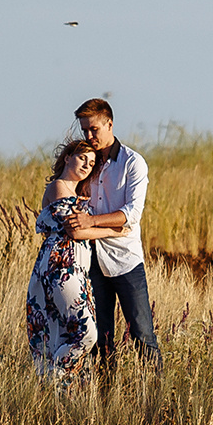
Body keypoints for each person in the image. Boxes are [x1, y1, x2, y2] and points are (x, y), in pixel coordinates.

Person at [62, 99, 159, 368]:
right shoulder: (87, 165)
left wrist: (90, 222)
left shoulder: (133, 163)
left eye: (94, 129)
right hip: (92, 263)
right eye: (85, 131)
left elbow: (131, 215)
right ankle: (106, 403)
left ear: (109, 124)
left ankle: (156, 400)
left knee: (142, 336)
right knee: (100, 341)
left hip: (126, 262)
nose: (89, 136)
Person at [24, 141, 114, 382]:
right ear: (67, 158)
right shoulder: (58, 187)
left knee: (65, 333)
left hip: (77, 269)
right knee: (86, 334)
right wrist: (115, 230)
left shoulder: (78, 195)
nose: (87, 165)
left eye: (92, 163)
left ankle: (59, 396)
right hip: (60, 266)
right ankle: (52, 378)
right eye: (83, 158)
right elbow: (75, 231)